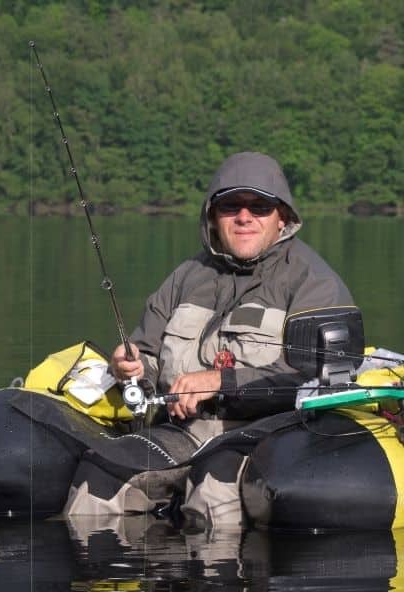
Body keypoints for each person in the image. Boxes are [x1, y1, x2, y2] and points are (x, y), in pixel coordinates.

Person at [110, 151, 355, 445]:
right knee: (98, 482)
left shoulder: (315, 283)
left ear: (282, 217)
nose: (243, 217)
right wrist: (131, 369)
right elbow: (146, 357)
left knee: (210, 492)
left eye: (260, 207)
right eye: (230, 206)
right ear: (213, 216)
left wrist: (219, 382)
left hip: (265, 439)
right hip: (173, 432)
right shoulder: (185, 275)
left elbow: (314, 379)